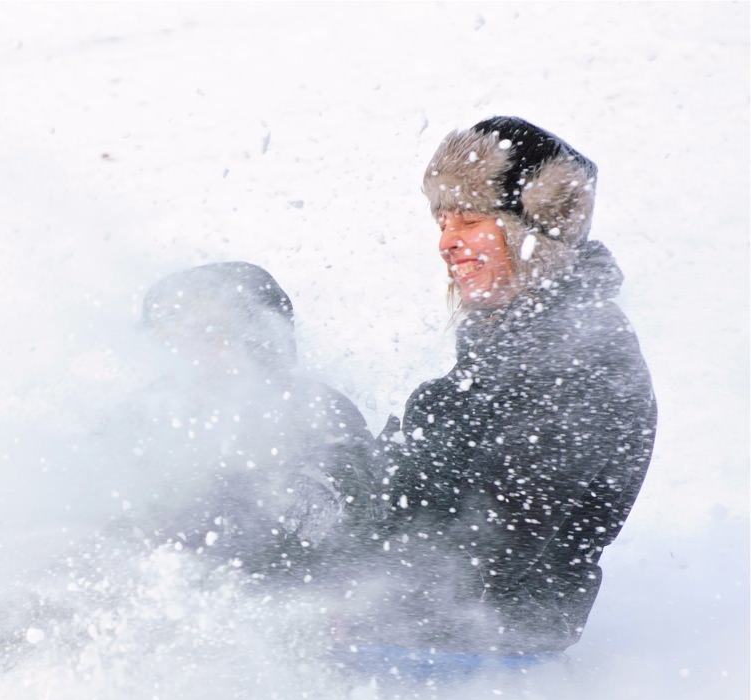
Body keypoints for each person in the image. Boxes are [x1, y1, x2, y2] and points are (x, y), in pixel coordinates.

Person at [335, 117, 657, 662]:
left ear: (535, 231)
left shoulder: (582, 359)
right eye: (441, 222)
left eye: (469, 219)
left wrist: (347, 606)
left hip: (467, 653)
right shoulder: (504, 353)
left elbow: (503, 538)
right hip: (415, 628)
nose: (446, 243)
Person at [102, 261, 378, 574]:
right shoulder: (135, 419)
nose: (185, 349)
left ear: (261, 339)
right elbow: (83, 498)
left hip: (284, 596)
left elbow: (325, 510)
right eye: (169, 335)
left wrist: (191, 517)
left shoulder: (315, 411)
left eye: (208, 333)